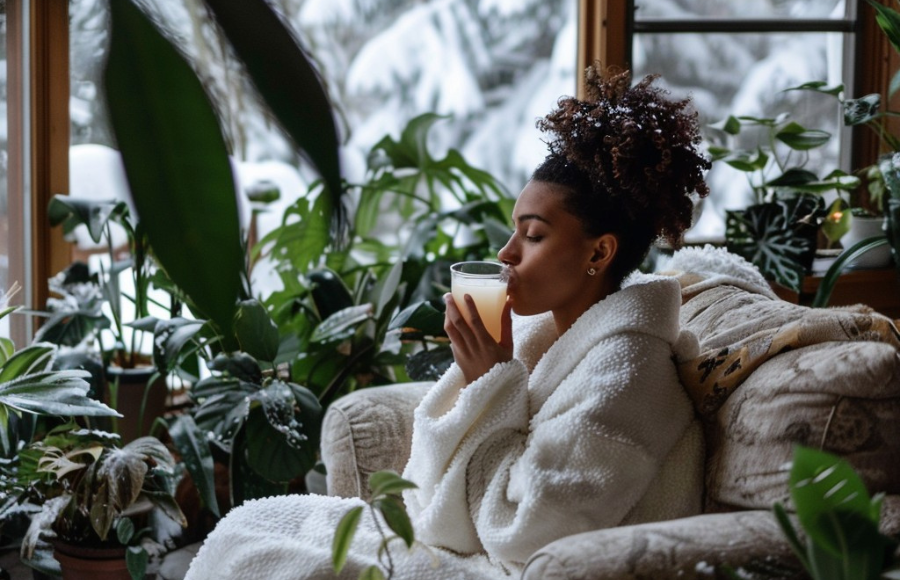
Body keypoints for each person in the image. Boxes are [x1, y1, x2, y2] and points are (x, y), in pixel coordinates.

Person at [183, 65, 711, 580]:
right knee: (246, 528)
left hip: (508, 566)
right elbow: (427, 497)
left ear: (599, 252)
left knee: (259, 557)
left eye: (532, 236)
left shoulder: (628, 371)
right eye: (513, 231)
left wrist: (492, 383)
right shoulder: (546, 339)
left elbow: (528, 531)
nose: (506, 253)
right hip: (464, 548)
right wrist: (481, 378)